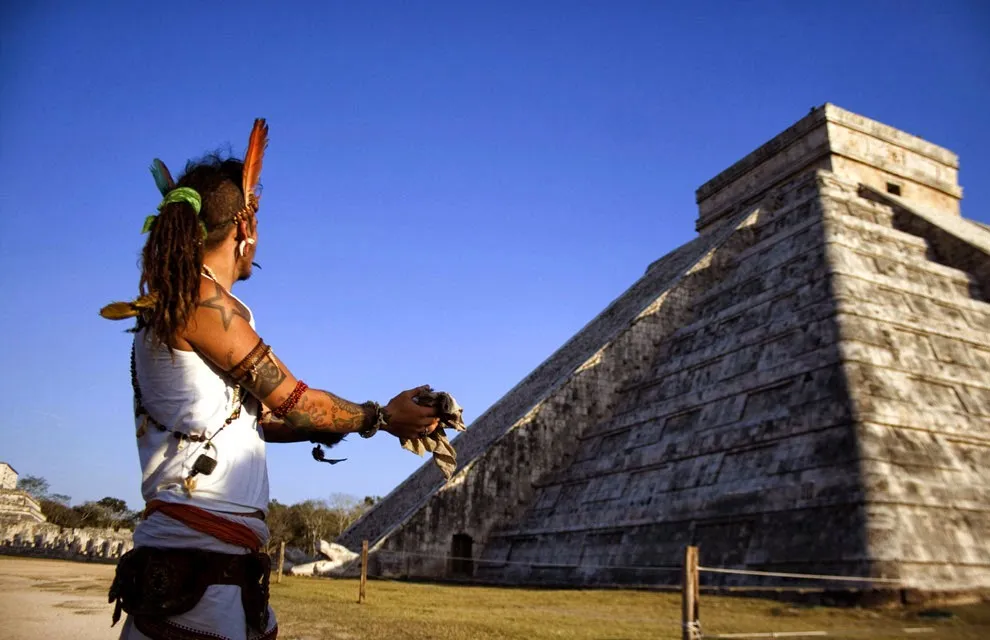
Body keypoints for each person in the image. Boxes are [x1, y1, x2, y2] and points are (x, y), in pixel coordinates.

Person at [101, 119, 439, 640]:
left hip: (216, 570)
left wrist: (334, 425)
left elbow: (260, 421)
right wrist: (382, 416)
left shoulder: (192, 302)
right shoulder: (201, 302)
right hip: (198, 573)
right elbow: (296, 400)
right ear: (244, 225)